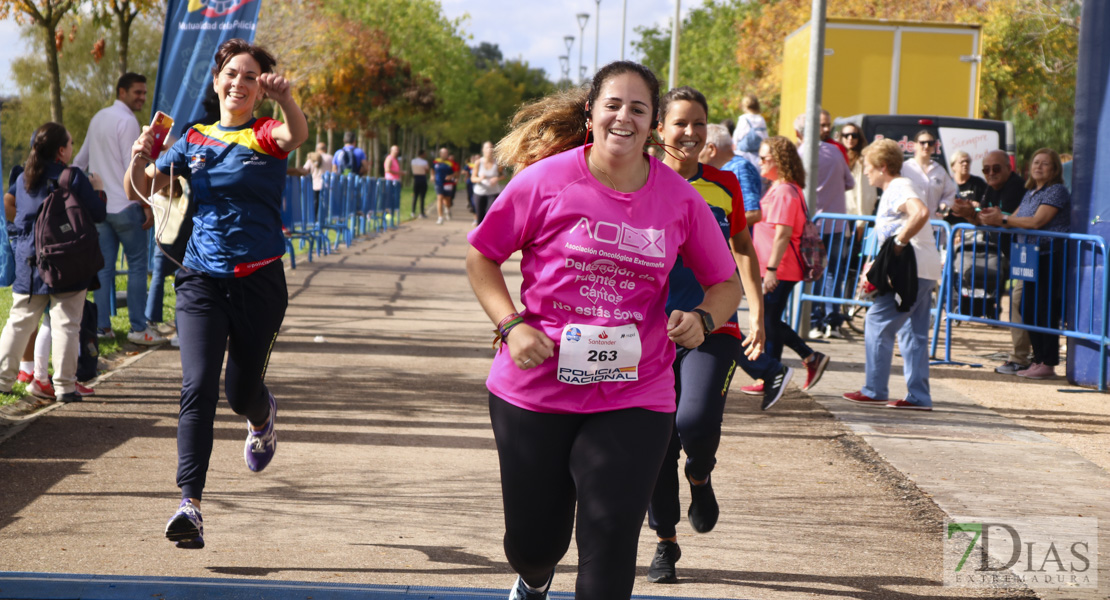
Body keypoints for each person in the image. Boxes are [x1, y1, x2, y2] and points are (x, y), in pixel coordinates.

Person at [467, 61, 742, 600]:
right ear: (591, 113)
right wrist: (511, 324)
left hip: (634, 391)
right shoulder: (545, 180)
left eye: (639, 108)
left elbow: (726, 283)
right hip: (535, 386)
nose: (625, 117)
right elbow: (482, 257)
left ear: (654, 124)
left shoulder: (681, 199)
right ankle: (535, 574)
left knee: (611, 539)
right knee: (533, 541)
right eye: (613, 105)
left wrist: (704, 318)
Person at [126, 38, 308, 549]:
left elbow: (296, 134)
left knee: (238, 394)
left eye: (250, 76)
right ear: (216, 81)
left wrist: (287, 98)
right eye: (231, 73)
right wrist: (142, 157)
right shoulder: (192, 139)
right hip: (201, 279)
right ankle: (190, 504)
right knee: (198, 386)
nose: (239, 82)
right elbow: (141, 189)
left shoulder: (265, 134)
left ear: (257, 89)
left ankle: (261, 415)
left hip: (260, 282)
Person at [646, 86, 789, 585]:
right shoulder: (636, 178)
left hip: (714, 321)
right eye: (680, 123)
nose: (690, 133)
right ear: (658, 128)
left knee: (695, 418)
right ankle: (665, 542)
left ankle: (701, 475)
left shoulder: (724, 184)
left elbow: (742, 246)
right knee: (658, 440)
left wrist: (757, 313)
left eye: (699, 123)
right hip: (649, 331)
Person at [0, 122, 107, 404]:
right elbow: (97, 214)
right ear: (62, 150)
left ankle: (2, 381)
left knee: (19, 322)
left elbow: (12, 207)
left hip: (29, 261)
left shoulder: (23, 178)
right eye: (71, 144)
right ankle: (64, 387)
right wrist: (98, 189)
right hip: (66, 262)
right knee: (66, 325)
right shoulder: (72, 177)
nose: (72, 148)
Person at [841, 139, 942, 411]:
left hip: (911, 269)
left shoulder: (899, 186)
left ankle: (875, 389)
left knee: (877, 321)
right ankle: (919, 396)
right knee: (913, 332)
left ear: (882, 167)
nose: (865, 173)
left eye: (868, 167)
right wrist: (877, 261)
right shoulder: (898, 187)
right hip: (924, 268)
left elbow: (919, 212)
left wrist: (900, 243)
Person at [73, 72, 165, 345]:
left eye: (144, 93)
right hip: (126, 207)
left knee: (103, 270)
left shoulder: (99, 117)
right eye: (137, 92)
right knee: (137, 266)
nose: (142, 97)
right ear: (121, 92)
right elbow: (134, 165)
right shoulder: (127, 121)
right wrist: (146, 205)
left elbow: (80, 161)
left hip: (101, 209)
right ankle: (138, 327)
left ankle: (102, 327)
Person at [979, 149, 1070, 380]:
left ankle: (1048, 362)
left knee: (1044, 310)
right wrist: (988, 216)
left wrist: (1004, 219)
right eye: (1036, 162)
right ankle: (1037, 360)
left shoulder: (1056, 191)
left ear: (1055, 168)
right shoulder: (1031, 192)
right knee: (1027, 309)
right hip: (1028, 257)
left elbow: (1037, 221)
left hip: (1048, 255)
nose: (1039, 167)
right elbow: (1012, 219)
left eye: (1045, 163)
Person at [752, 136, 830, 391]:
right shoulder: (780, 187)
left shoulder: (785, 190)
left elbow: (783, 234)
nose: (760, 162)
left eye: (765, 158)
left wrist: (771, 270)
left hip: (780, 268)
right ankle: (772, 377)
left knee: (769, 321)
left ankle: (808, 357)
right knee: (770, 321)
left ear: (779, 161)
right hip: (776, 267)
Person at [950, 150, 1030, 374]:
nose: (991, 173)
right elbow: (984, 220)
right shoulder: (992, 188)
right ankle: (1031, 359)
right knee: (1026, 304)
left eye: (996, 168)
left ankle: (1023, 359)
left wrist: (984, 215)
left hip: (1032, 254)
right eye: (986, 169)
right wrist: (968, 213)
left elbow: (1004, 220)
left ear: (1008, 168)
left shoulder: (1016, 186)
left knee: (1021, 302)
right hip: (1017, 255)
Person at [794, 113, 855, 339]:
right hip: (836, 222)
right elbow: (850, 183)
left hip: (813, 224)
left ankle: (815, 320)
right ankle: (831, 320)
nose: (827, 128)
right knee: (833, 274)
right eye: (823, 125)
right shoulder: (836, 153)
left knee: (814, 273)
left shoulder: (800, 154)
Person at [701, 123, 763, 225]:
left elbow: (753, 213)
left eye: (699, 146)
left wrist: (718, 230)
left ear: (711, 149)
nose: (696, 152)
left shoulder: (740, 168)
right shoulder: (726, 168)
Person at [902, 130, 957, 217]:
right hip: (911, 223)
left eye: (930, 143)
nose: (926, 146)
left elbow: (950, 193)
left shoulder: (940, 170)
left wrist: (944, 204)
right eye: (922, 143)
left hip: (934, 224)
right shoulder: (905, 168)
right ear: (914, 145)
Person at [838, 122, 877, 219]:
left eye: (854, 135)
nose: (850, 138)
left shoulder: (861, 160)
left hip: (853, 216)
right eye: (846, 135)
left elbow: (865, 194)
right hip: (838, 213)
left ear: (859, 138)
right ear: (841, 137)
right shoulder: (837, 156)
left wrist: (861, 221)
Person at [944, 150, 987, 224]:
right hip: (952, 227)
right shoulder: (947, 183)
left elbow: (986, 204)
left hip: (973, 226)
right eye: (962, 162)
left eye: (967, 161)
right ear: (953, 166)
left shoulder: (978, 183)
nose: (965, 164)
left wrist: (977, 205)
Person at [730, 94, 767, 169]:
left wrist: (734, 144)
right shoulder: (761, 119)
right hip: (757, 153)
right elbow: (765, 136)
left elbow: (737, 135)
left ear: (745, 106)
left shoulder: (743, 118)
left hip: (744, 152)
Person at [470, 141, 502, 226]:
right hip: (480, 192)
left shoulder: (497, 163)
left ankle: (488, 236)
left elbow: (503, 175)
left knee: (490, 215)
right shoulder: (478, 162)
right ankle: (479, 236)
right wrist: (480, 179)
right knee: (480, 216)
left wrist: (497, 178)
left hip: (493, 193)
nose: (489, 150)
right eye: (487, 148)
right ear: (483, 150)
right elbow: (473, 178)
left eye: (491, 148)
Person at [301, 142, 331, 216]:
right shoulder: (330, 157)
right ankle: (324, 218)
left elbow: (304, 169)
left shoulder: (312, 158)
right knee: (325, 202)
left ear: (317, 149)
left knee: (315, 201)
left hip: (315, 184)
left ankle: (314, 218)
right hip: (327, 184)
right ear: (325, 149)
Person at [432, 147, 455, 224]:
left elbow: (455, 173)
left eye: (446, 153)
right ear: (440, 154)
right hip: (438, 182)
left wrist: (450, 176)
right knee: (440, 198)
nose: (445, 154)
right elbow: (432, 169)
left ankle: (448, 209)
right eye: (444, 153)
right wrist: (432, 176)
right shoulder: (436, 162)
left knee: (447, 200)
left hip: (447, 183)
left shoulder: (450, 163)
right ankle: (440, 217)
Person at [410, 149, 429, 219]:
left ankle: (413, 212)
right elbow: (427, 170)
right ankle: (421, 213)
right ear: (422, 154)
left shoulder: (413, 161)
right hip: (422, 178)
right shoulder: (424, 162)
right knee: (422, 197)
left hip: (416, 178)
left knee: (415, 196)